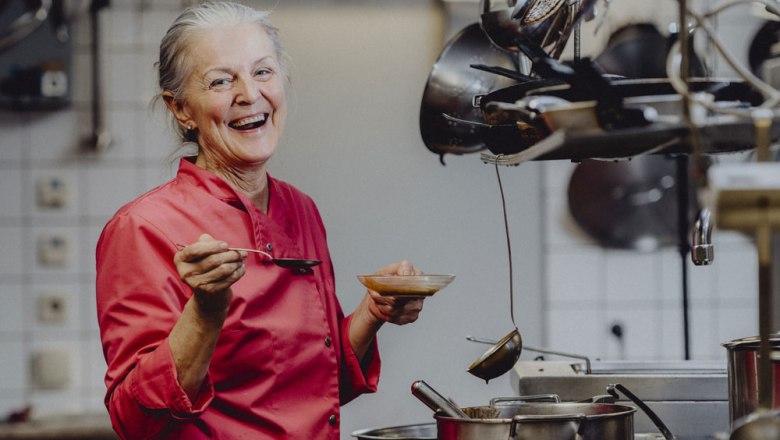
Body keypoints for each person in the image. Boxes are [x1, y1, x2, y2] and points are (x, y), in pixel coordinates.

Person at [95, 2, 424, 438]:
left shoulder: (299, 208)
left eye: (263, 72)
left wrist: (374, 310)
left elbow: (314, 387)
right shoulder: (143, 227)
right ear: (181, 109)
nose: (249, 94)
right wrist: (206, 312)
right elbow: (135, 422)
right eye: (220, 81)